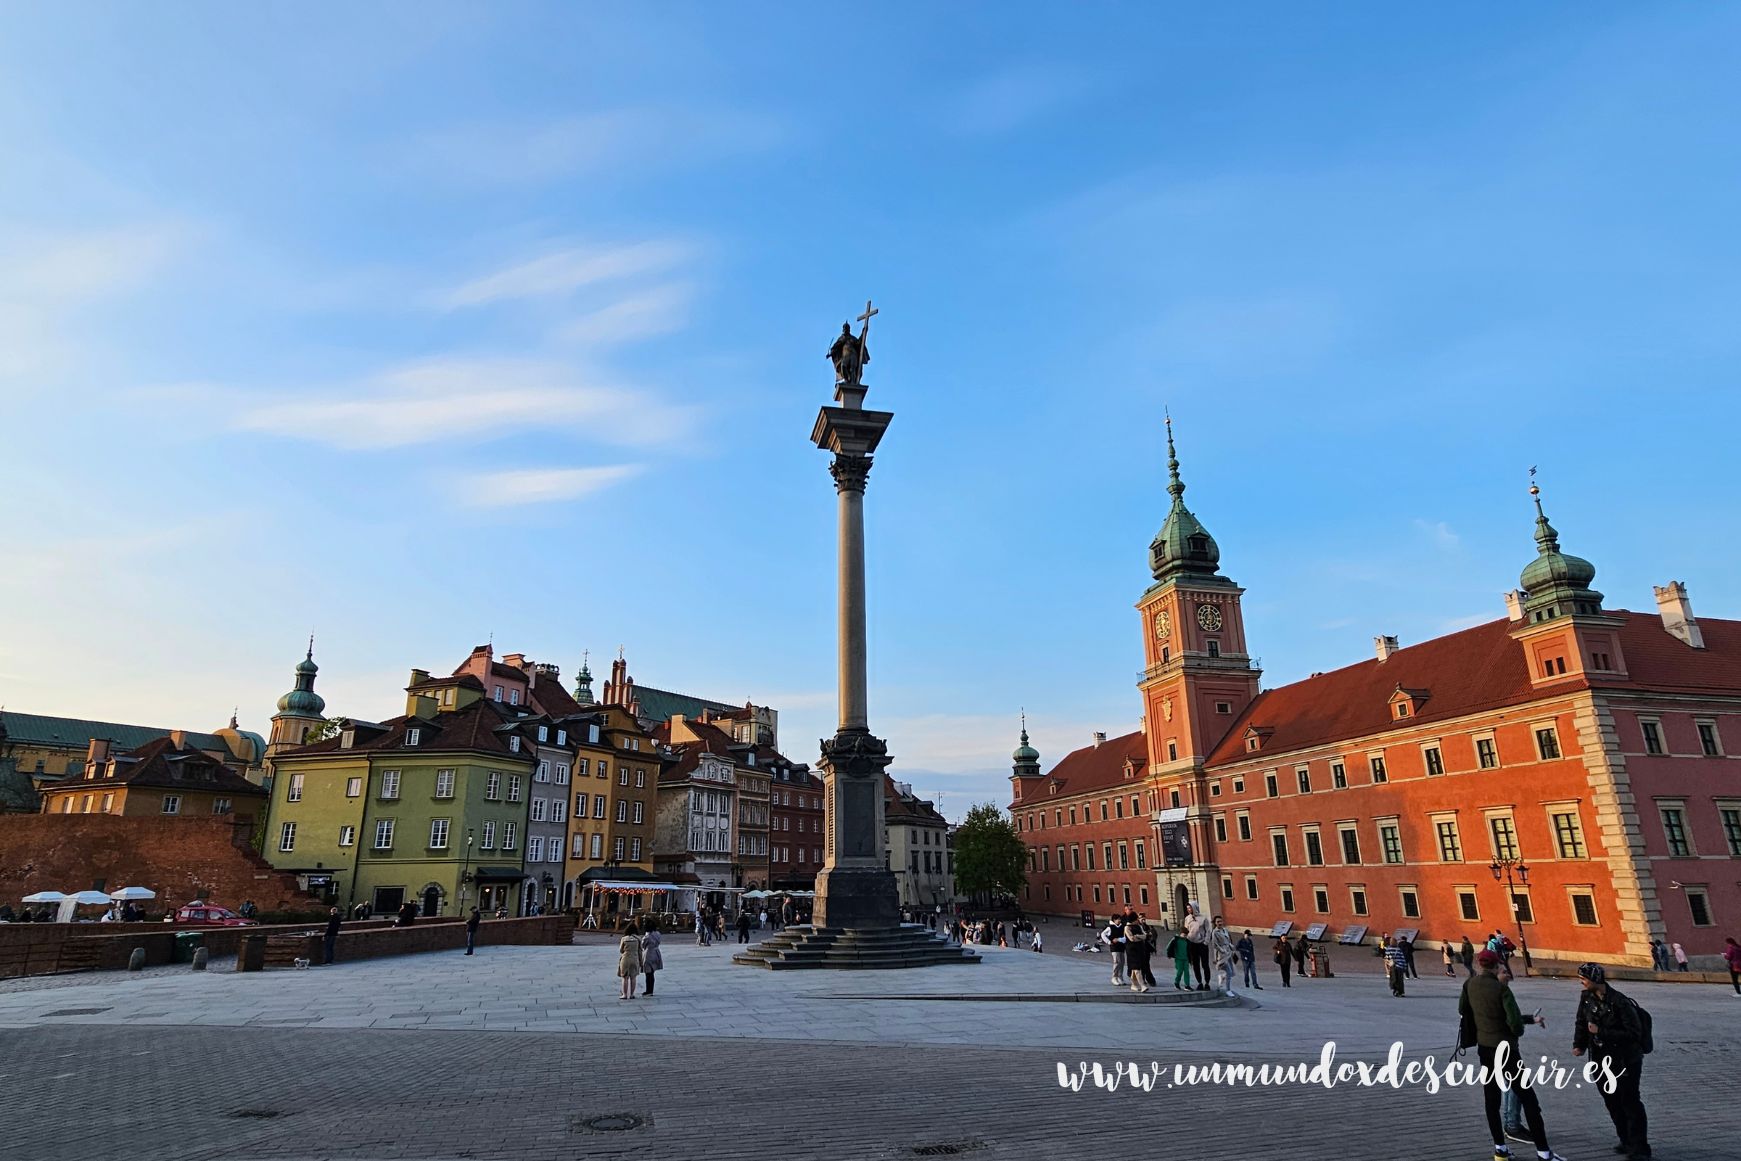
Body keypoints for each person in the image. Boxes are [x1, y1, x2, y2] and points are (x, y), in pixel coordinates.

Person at [1460, 949, 1562, 1161]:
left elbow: (1463, 1008)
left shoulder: (1469, 985)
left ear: (1479, 965)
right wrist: (1519, 1028)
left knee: (1492, 1101)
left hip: (1485, 1050)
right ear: (1497, 966)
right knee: (1528, 1099)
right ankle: (1543, 1152)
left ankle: (1500, 1151)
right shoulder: (1502, 990)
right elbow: (1514, 1024)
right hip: (1506, 1051)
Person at [1571, 962, 1650, 1159]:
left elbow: (1633, 1033)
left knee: (1630, 1101)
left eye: (1584, 978)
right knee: (1611, 1100)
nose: (1581, 982)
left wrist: (1601, 1032)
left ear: (1596, 979)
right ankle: (1625, 1140)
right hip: (1600, 1058)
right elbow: (1581, 1021)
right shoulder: (1587, 997)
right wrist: (1578, 1044)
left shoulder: (1620, 1002)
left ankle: (1640, 1147)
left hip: (1625, 1059)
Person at [1184, 903, 1212, 991]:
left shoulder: (1203, 918)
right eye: (1188, 908)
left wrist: (1206, 942)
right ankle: (1199, 982)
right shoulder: (1187, 918)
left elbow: (1208, 931)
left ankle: (1207, 983)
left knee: (1205, 964)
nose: (1189, 910)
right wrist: (1186, 939)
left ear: (1195, 908)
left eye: (1190, 908)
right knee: (1195, 964)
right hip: (1192, 944)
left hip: (1202, 944)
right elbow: (1186, 930)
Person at [1211, 916, 1238, 995]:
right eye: (1218, 922)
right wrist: (1222, 951)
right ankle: (1228, 990)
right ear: (1215, 923)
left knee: (1233, 972)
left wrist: (1231, 948)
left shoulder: (1225, 930)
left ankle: (1222, 976)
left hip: (1228, 952)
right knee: (1229, 972)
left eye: (1220, 921)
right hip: (1222, 955)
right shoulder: (1215, 932)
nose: (1219, 923)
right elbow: (1215, 945)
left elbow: (1229, 940)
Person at [617, 918, 643, 1000]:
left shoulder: (624, 939)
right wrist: (641, 962)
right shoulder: (638, 939)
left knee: (625, 977)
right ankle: (632, 994)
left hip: (625, 959)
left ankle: (624, 994)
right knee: (633, 977)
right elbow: (640, 951)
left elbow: (621, 950)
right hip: (635, 959)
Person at [1124, 918, 1152, 993]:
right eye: (1136, 919)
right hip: (1131, 950)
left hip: (1140, 949)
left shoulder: (1139, 927)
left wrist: (1138, 936)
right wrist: (1140, 937)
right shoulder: (1127, 927)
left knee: (1135, 968)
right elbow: (1131, 938)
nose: (1137, 920)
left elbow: (1145, 936)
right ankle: (1142, 985)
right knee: (1136, 968)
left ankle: (1133, 984)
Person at [641, 921, 663, 997]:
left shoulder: (647, 937)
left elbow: (643, 945)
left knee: (648, 973)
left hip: (649, 953)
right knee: (652, 973)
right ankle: (651, 990)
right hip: (656, 952)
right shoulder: (658, 934)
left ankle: (648, 990)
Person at [1104, 917, 1128, 986]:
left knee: (1122, 962)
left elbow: (1124, 937)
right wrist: (1108, 941)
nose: (1119, 920)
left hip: (1121, 947)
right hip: (1114, 947)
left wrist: (1120, 940)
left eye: (1120, 919)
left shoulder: (1122, 927)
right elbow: (1103, 934)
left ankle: (1120, 977)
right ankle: (1114, 977)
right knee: (1117, 962)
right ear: (1114, 920)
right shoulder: (1110, 927)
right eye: (1118, 919)